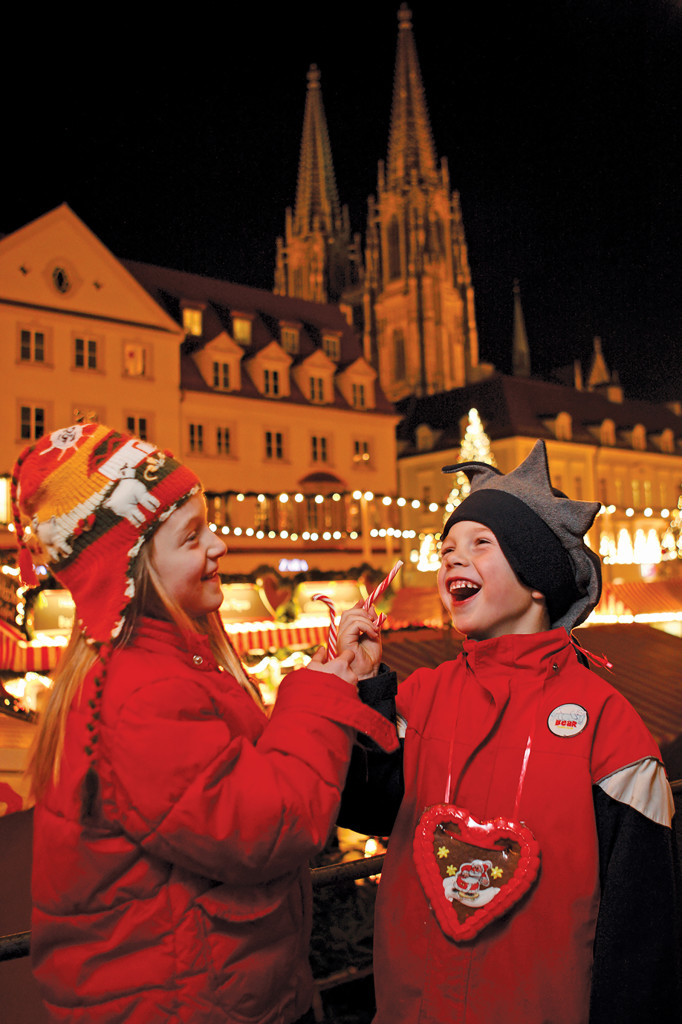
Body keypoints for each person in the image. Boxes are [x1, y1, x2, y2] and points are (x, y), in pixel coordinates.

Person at [11, 422, 397, 1024]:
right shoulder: (145, 694)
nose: (218, 545)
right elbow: (272, 823)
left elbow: (233, 778)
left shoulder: (163, 666)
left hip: (212, 988)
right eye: (193, 536)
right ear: (133, 572)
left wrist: (325, 681)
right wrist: (315, 699)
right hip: (185, 1001)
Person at [337, 440, 682, 1024]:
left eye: (479, 543)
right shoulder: (421, 695)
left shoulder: (605, 723)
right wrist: (365, 687)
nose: (450, 559)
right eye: (445, 547)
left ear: (537, 575)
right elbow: (362, 802)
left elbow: (643, 930)